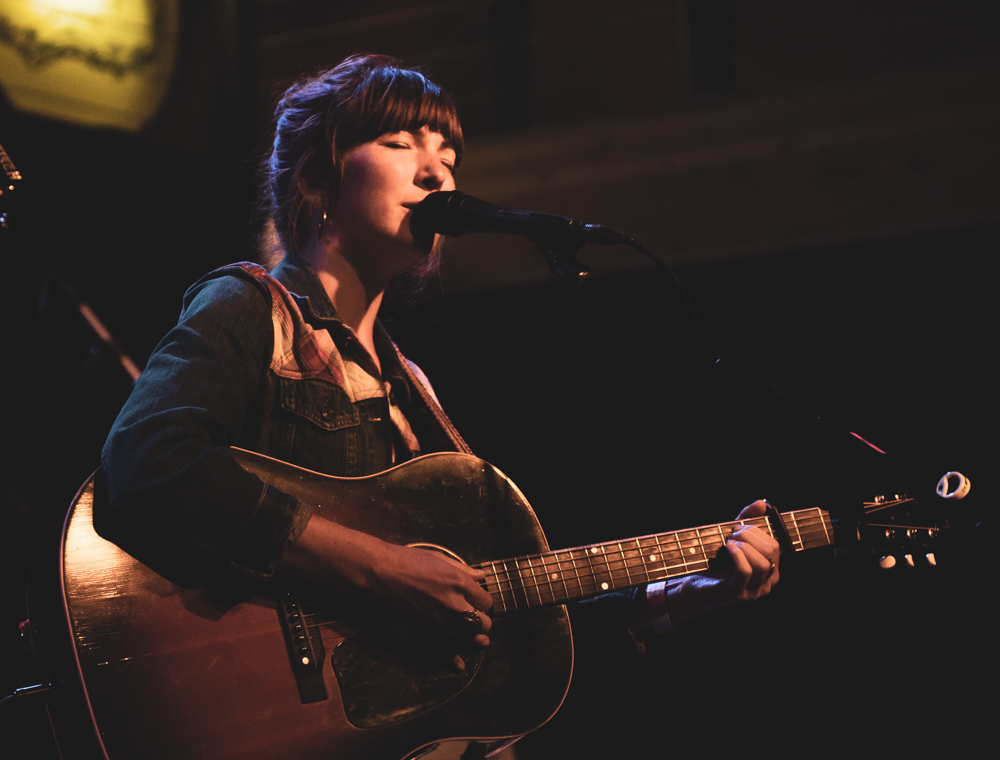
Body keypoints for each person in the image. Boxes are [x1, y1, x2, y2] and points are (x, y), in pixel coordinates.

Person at [101, 53, 779, 682]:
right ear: (314, 177)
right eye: (401, 144)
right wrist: (382, 570)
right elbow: (150, 459)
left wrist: (681, 596)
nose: (439, 173)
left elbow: (495, 604)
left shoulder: (411, 388)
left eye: (448, 152)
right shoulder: (252, 306)